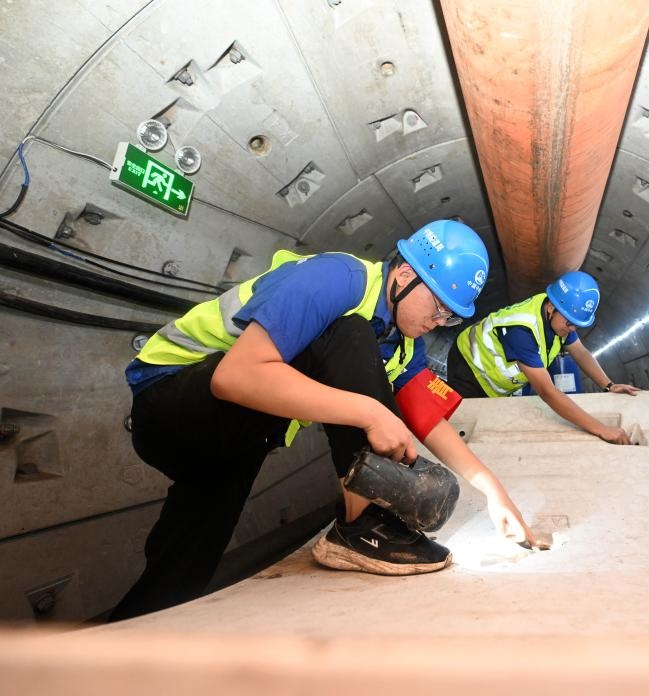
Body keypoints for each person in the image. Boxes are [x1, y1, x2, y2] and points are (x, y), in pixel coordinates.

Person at [109, 220, 536, 621]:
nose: (437, 321)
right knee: (349, 333)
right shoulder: (338, 279)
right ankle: (361, 527)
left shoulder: (405, 345)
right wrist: (369, 413)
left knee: (183, 569)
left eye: (450, 316)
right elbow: (233, 377)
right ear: (404, 274)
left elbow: (428, 421)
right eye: (439, 305)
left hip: (239, 437)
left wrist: (494, 494)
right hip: (170, 400)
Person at [446, 270, 639, 444]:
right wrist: (601, 429)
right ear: (550, 307)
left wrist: (609, 385)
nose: (572, 330)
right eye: (570, 323)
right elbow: (547, 392)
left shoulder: (561, 316)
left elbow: (580, 352)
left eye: (577, 325)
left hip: (492, 376)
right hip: (469, 367)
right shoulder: (522, 331)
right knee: (465, 430)